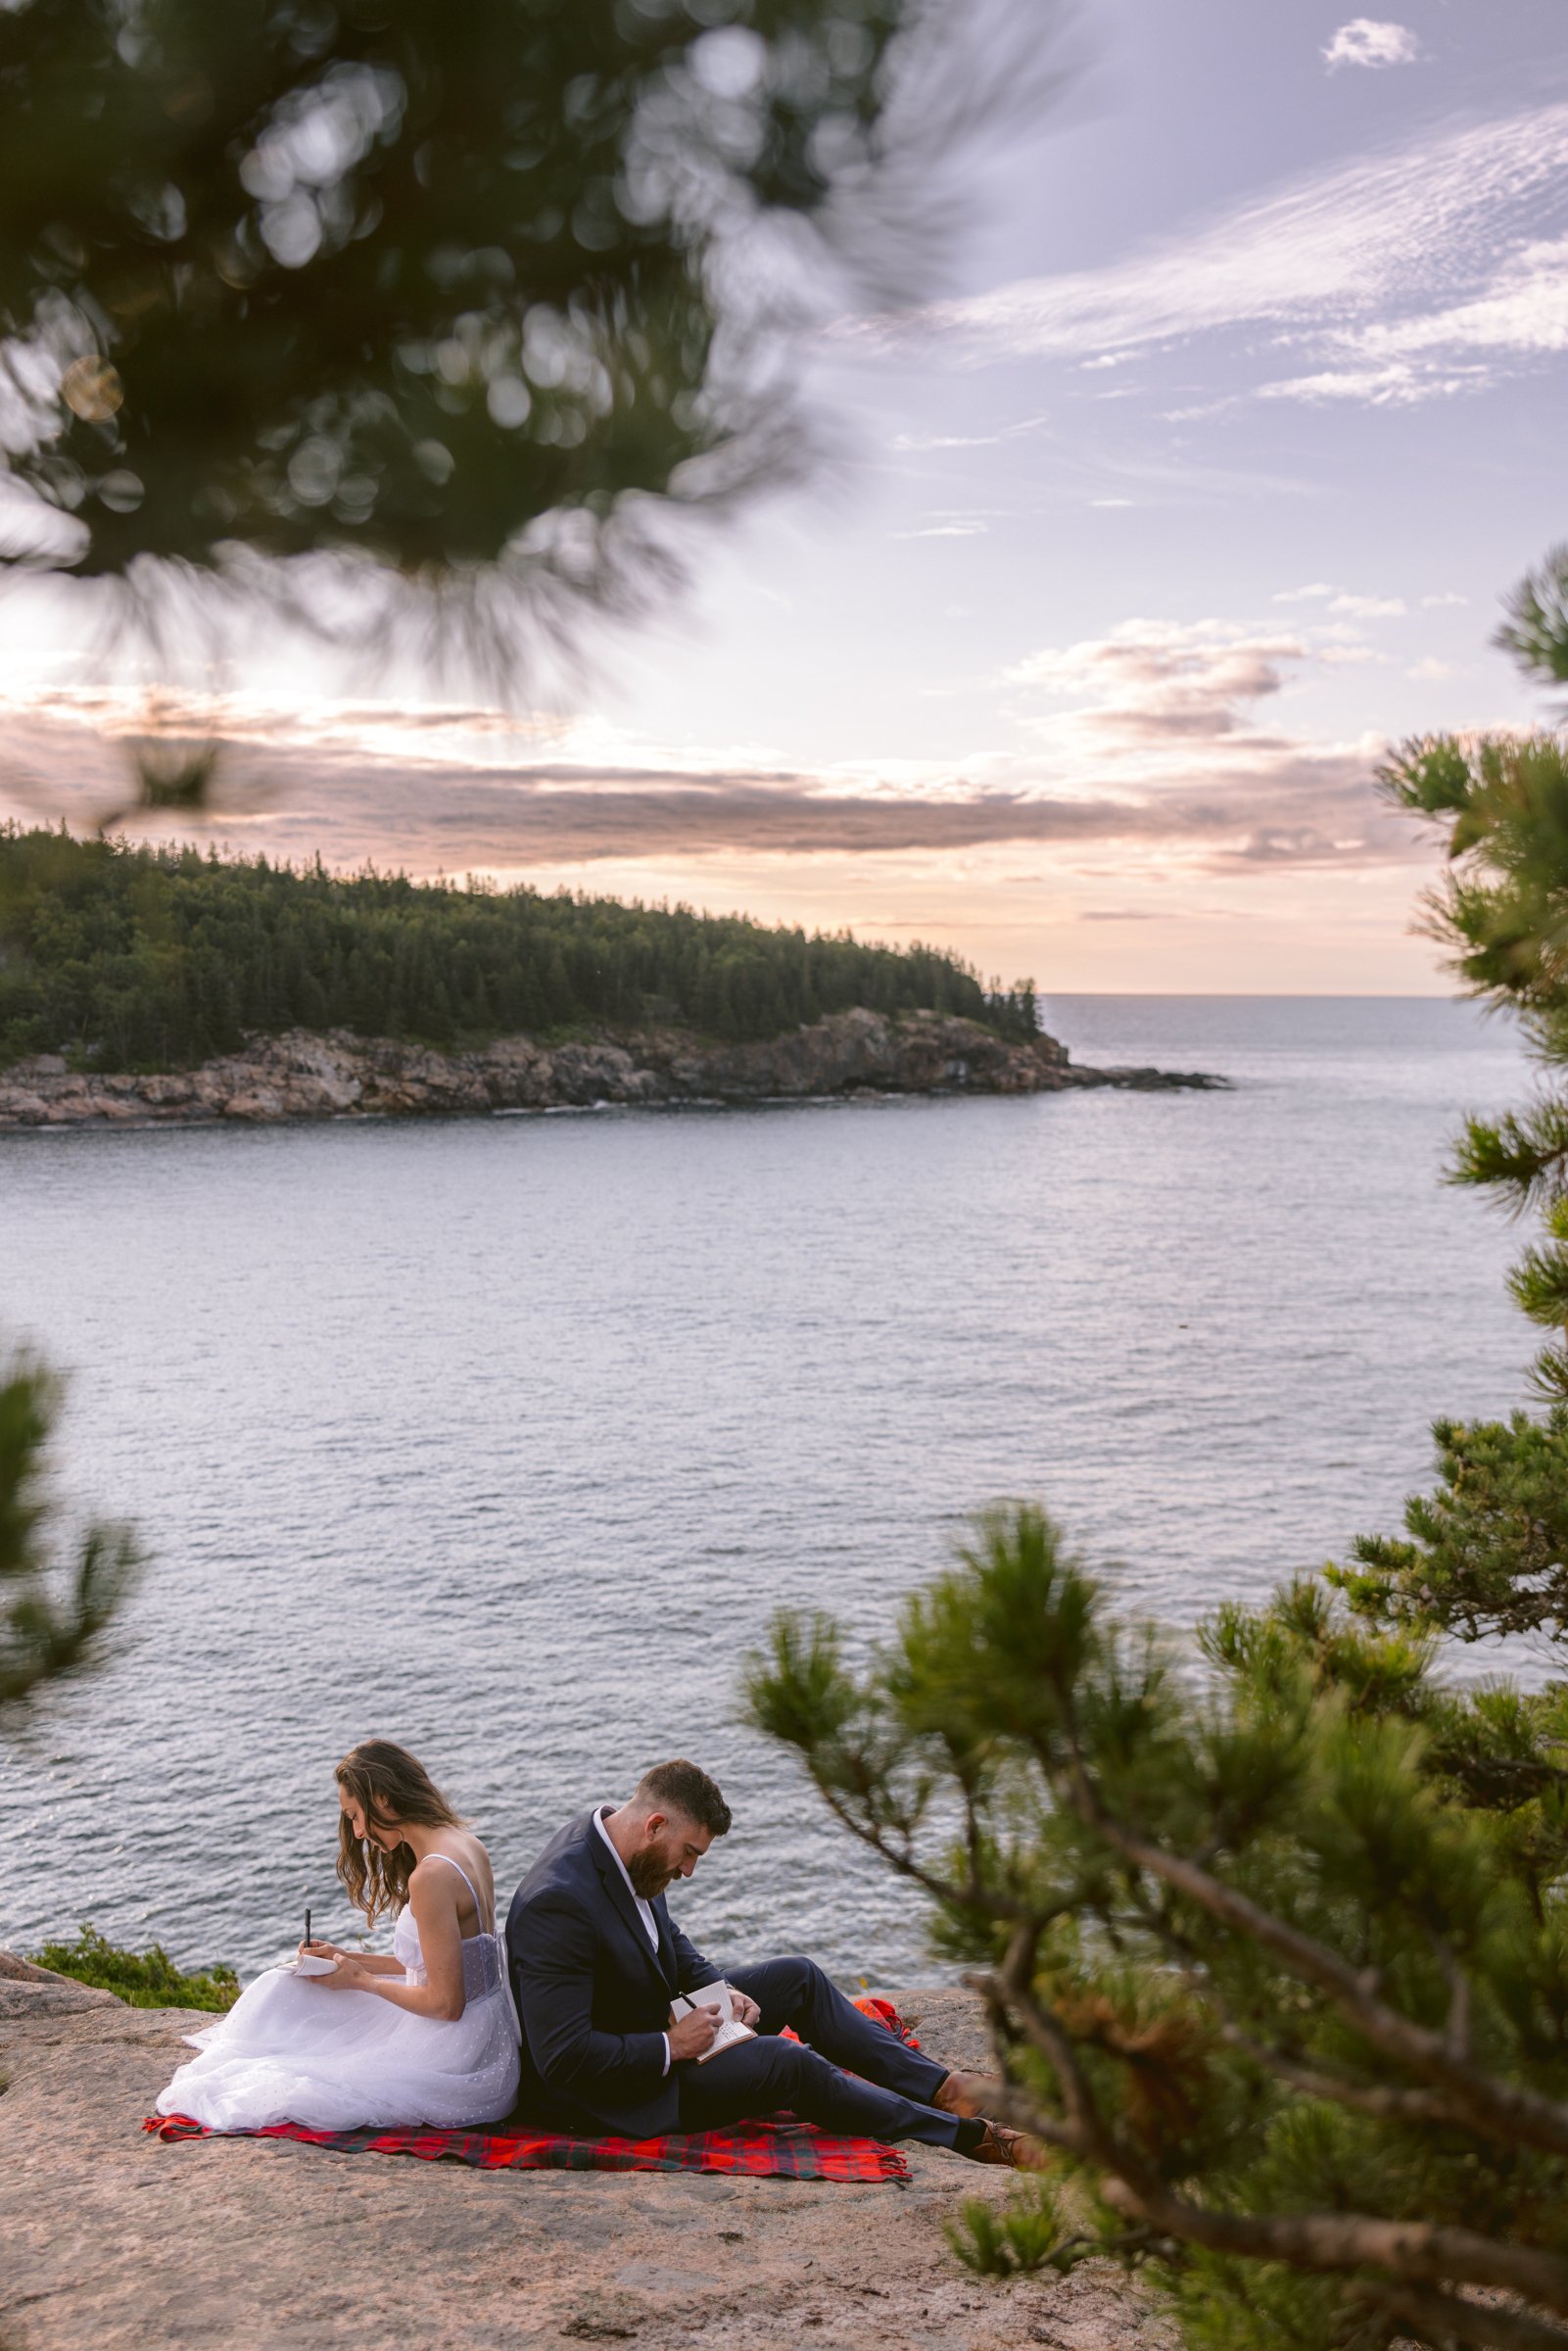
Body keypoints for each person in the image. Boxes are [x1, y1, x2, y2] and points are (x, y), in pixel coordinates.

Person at [504, 1758, 1035, 2164]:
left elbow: (664, 1934)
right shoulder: (561, 1903)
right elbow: (562, 2059)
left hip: (651, 2022)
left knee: (796, 1977)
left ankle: (944, 2089)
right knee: (789, 2064)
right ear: (656, 1825)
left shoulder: (625, 1848)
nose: (689, 1870)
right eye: (689, 1852)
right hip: (621, 2093)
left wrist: (718, 1988)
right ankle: (973, 2139)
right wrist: (671, 2044)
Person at [156, 1739, 519, 2132]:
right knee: (287, 1984)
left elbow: (447, 2004)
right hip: (488, 2039)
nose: (359, 1833)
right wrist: (347, 1957)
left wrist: (361, 1981)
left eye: (355, 1816)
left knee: (298, 2066)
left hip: (456, 2057)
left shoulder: (430, 1876)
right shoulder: (467, 1844)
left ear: (382, 1799)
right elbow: (444, 1963)